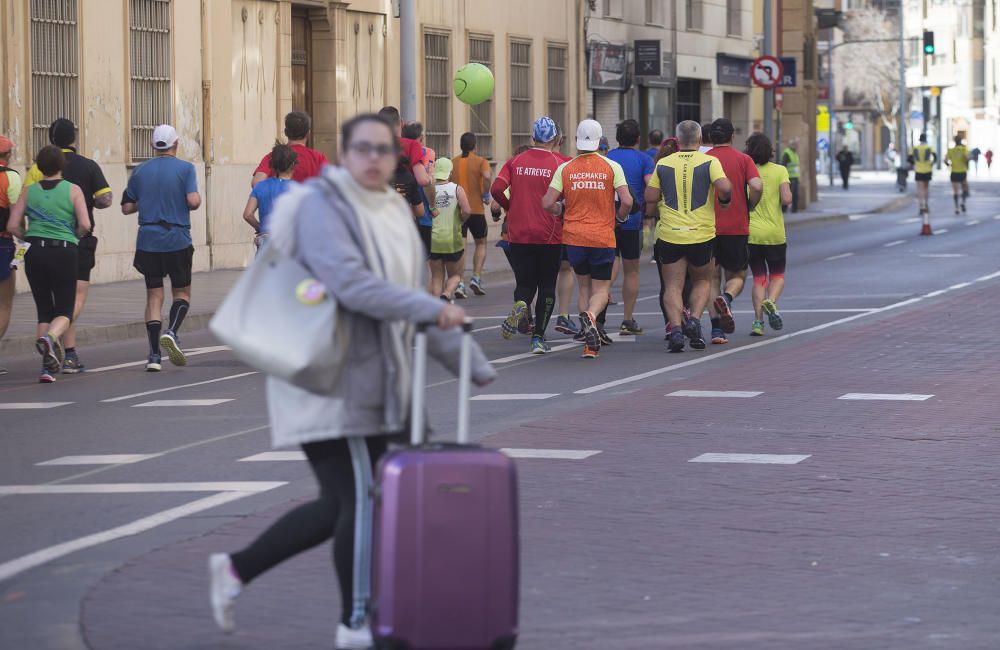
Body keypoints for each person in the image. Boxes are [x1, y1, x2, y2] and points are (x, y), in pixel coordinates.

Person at [208, 113, 496, 650]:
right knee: (365, 496)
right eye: (361, 149)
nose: (372, 158)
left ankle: (235, 571)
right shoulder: (322, 208)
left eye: (382, 150)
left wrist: (468, 361)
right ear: (343, 154)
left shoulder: (389, 211)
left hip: (370, 379)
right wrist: (434, 316)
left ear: (395, 159)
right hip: (327, 377)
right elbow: (353, 286)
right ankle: (356, 622)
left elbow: (409, 297)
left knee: (343, 501)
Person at [24, 118, 112, 373]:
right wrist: (90, 203)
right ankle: (61, 345)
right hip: (76, 242)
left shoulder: (36, 169)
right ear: (74, 139)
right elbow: (105, 199)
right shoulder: (88, 166)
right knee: (75, 297)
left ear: (51, 139)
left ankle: (57, 356)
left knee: (49, 303)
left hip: (38, 244)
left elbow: (27, 199)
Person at [542, 119, 632, 359]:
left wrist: (561, 211)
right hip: (603, 236)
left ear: (576, 141)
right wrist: (619, 219)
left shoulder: (566, 168)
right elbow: (628, 201)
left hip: (574, 237)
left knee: (583, 286)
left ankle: (589, 343)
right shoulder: (612, 166)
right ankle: (592, 316)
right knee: (601, 289)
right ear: (600, 139)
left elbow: (547, 203)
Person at [645, 120, 732, 353]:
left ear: (678, 139)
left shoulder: (663, 163)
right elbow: (725, 188)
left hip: (670, 234)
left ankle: (675, 330)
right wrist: (723, 200)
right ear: (700, 139)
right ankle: (694, 320)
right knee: (703, 281)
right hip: (701, 234)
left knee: (672, 286)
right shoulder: (710, 161)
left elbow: (650, 196)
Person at [6, 146, 91, 383]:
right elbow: (85, 224)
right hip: (63, 251)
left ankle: (47, 368)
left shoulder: (28, 191)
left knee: (44, 310)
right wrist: (72, 234)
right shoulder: (73, 190)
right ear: (62, 165)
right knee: (64, 309)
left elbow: (13, 225)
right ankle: (51, 339)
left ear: (39, 167)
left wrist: (28, 237)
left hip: (34, 253)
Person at [121, 124, 201, 372]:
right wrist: (193, 201)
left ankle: (154, 355)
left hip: (148, 240)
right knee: (182, 293)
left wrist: (146, 202)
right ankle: (171, 331)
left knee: (154, 296)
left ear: (153, 146)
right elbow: (192, 200)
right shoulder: (186, 169)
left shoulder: (140, 170)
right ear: (176, 144)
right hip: (176, 238)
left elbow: (126, 207)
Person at [490, 117, 566, 349]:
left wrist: (508, 206)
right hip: (549, 233)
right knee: (547, 285)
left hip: (519, 231)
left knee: (524, 282)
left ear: (533, 137)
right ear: (554, 138)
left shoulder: (515, 162)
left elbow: (496, 189)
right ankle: (539, 338)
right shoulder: (560, 163)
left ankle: (522, 303)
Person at [706, 118, 762, 345]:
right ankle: (727, 297)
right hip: (736, 226)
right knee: (737, 275)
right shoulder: (743, 159)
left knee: (710, 279)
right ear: (732, 137)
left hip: (707, 227)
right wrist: (751, 204)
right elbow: (757, 185)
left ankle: (716, 330)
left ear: (711, 137)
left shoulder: (704, 158)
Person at [606, 119, 654, 336]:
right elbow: (651, 186)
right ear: (637, 139)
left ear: (617, 139)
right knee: (632, 270)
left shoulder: (607, 158)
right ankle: (627, 319)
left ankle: (600, 306)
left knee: (608, 263)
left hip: (607, 220)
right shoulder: (644, 159)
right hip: (632, 221)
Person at [745, 132, 792, 337]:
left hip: (751, 233)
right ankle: (770, 302)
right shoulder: (780, 170)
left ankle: (757, 322)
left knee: (758, 278)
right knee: (778, 275)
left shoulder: (746, 171)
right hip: (774, 233)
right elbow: (787, 199)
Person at [450, 133, 492, 296]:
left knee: (462, 247)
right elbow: (487, 176)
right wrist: (486, 193)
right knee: (481, 244)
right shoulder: (481, 162)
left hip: (459, 211)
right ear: (475, 145)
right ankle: (475, 277)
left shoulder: (453, 162)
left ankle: (459, 283)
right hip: (476, 210)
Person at [428, 157, 472, 301]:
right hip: (452, 239)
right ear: (450, 172)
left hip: (433, 239)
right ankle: (447, 294)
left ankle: (436, 309)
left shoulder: (429, 189)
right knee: (456, 275)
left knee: (436, 277)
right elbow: (467, 210)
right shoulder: (456, 189)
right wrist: (460, 220)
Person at [243, 144, 297, 251]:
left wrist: (260, 227)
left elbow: (247, 214)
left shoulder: (260, 186)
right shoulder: (297, 189)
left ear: (271, 165)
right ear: (293, 164)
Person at [251, 111, 328, 186]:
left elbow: (257, 183)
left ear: (285, 132)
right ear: (308, 133)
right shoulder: (319, 158)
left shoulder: (273, 156)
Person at [0, 136, 22, 376]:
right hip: (2, 244)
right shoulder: (11, 177)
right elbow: (16, 217)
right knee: (4, 302)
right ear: (7, 156)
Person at [908, 133, 936, 217]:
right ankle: (926, 205)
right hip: (927, 170)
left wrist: (915, 163)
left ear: (919, 140)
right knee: (926, 188)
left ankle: (921, 206)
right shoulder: (929, 147)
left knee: (920, 189)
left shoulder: (915, 148)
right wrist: (931, 163)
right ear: (926, 139)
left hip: (918, 170)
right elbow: (935, 157)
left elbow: (909, 158)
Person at [945, 136, 970, 215]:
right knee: (965, 188)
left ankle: (956, 208)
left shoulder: (951, 150)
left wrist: (949, 164)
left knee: (955, 191)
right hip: (962, 172)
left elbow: (945, 160)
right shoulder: (963, 149)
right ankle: (963, 202)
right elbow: (967, 158)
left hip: (954, 172)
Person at [781, 138, 801, 212]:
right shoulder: (787, 153)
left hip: (795, 177)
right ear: (792, 145)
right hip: (789, 178)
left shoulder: (794, 153)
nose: (797, 146)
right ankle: (784, 210)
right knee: (787, 195)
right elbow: (783, 165)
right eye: (796, 144)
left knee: (795, 195)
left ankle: (794, 210)